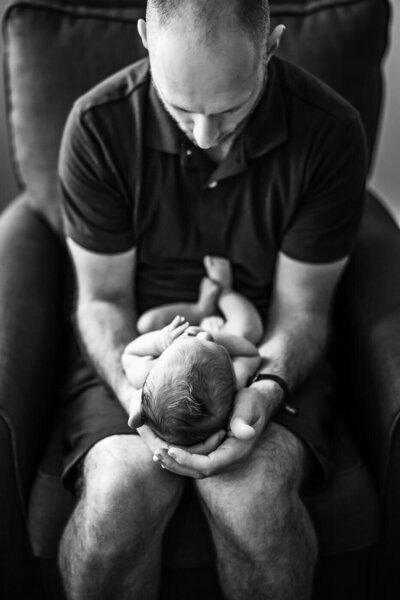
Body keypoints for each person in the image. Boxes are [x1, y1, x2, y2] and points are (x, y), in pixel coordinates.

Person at [58, 0, 367, 598]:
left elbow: (302, 309)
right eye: (180, 107)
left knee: (250, 496)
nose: (204, 134)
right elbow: (101, 299)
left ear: (270, 48)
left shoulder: (329, 131)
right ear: (146, 38)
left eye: (230, 108)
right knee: (120, 489)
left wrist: (266, 388)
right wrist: (137, 392)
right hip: (135, 359)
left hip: (262, 351)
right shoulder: (96, 126)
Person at [122, 255, 262, 446]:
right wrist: (217, 338)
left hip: (181, 325)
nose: (201, 335)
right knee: (249, 329)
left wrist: (161, 340)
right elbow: (251, 353)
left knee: (147, 323)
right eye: (209, 342)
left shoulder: (146, 374)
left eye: (190, 341)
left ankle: (200, 309)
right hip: (226, 331)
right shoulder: (235, 383)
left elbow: (129, 354)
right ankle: (224, 292)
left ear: (160, 360)